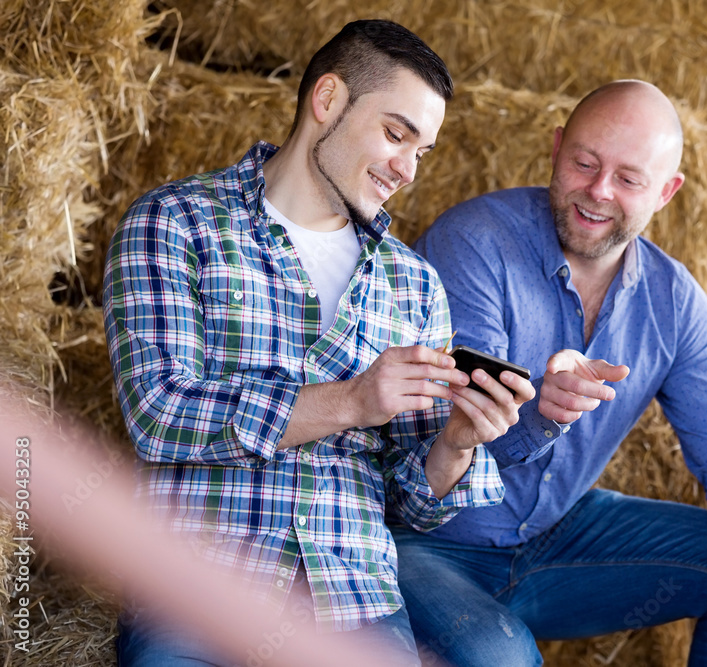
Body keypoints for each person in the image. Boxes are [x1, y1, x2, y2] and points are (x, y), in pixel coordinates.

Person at [102, 19, 534, 666]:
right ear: (327, 101)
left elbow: (413, 502)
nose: (407, 169)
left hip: (352, 599)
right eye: (396, 135)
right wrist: (352, 400)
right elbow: (159, 415)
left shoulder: (413, 285)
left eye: (423, 151)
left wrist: (457, 442)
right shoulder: (175, 223)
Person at [393, 80, 707, 667]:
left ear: (667, 192)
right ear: (557, 149)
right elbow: (457, 432)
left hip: (558, 539)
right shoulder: (475, 243)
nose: (598, 191)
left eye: (629, 179)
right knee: (501, 657)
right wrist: (542, 412)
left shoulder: (677, 304)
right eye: (584, 163)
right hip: (427, 541)